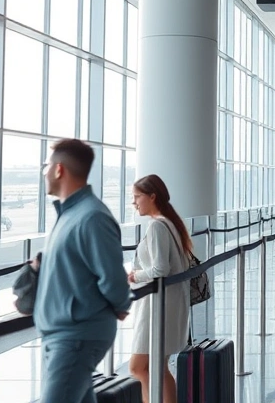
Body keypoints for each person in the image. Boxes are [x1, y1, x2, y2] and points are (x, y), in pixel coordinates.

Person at [34, 139, 132, 403]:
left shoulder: (92, 217)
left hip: (76, 337)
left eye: (46, 165)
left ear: (58, 170)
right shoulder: (69, 214)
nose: (43, 171)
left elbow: (112, 276)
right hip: (63, 335)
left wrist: (121, 303)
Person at [128, 175, 191, 403]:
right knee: (158, 367)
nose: (134, 203)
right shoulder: (170, 223)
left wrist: (135, 275)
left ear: (152, 196)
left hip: (158, 307)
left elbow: (160, 268)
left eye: (137, 197)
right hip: (169, 303)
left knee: (138, 367)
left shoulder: (157, 226)